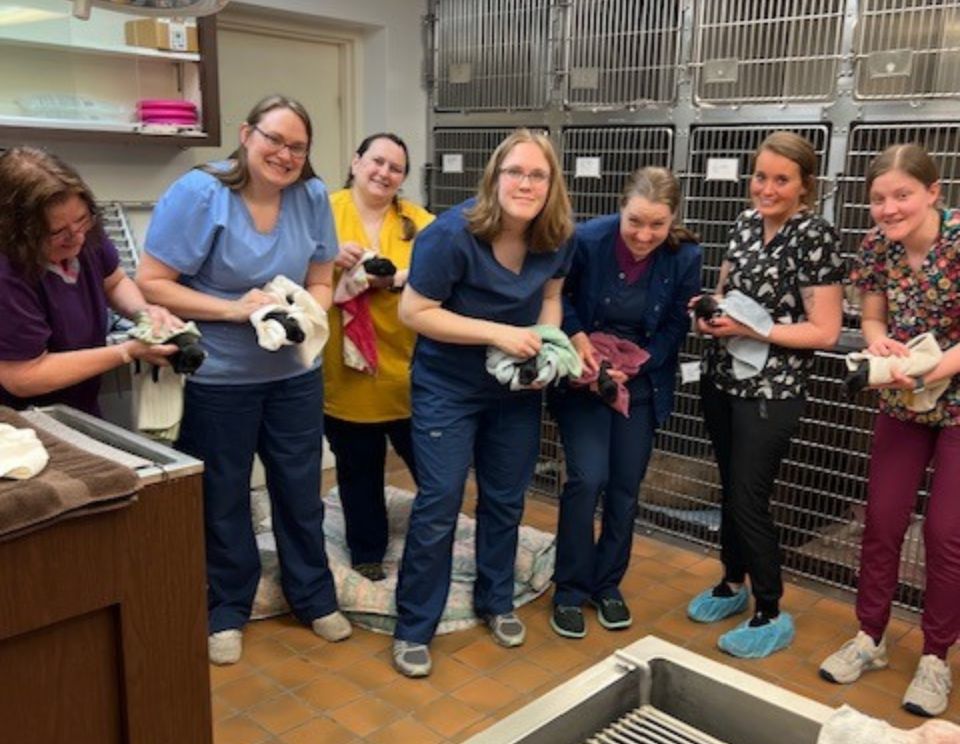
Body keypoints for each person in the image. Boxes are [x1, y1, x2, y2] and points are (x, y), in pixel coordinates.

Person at [136, 94, 351, 666]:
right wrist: (236, 310)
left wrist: (305, 313)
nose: (284, 154)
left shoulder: (310, 197)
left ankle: (313, 595)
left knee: (300, 489)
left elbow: (323, 279)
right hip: (220, 377)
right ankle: (227, 606)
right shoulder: (201, 193)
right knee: (224, 495)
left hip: (292, 375)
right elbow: (152, 282)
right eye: (274, 139)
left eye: (297, 146)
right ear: (246, 134)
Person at [392, 128, 574, 677]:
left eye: (537, 174)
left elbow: (551, 297)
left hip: (513, 392)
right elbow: (415, 312)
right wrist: (496, 333)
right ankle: (415, 625)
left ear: (551, 184)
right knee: (440, 500)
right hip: (447, 387)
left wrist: (543, 347)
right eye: (514, 171)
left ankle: (495, 600)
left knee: (505, 498)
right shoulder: (450, 235)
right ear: (494, 177)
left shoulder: (557, 236)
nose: (525, 183)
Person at [687, 131, 844, 658]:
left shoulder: (814, 236)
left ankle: (770, 607)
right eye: (761, 176)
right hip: (722, 378)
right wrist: (709, 311)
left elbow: (823, 332)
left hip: (772, 391)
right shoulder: (744, 225)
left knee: (750, 495)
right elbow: (727, 291)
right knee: (729, 487)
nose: (766, 188)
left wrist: (753, 331)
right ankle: (732, 582)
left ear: (805, 186)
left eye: (781, 180)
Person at [819, 144, 960, 717]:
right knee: (881, 520)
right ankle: (869, 638)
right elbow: (872, 313)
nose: (888, 208)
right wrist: (879, 340)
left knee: (947, 535)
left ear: (933, 192)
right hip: (903, 400)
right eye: (878, 198)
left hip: (954, 401)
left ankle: (935, 657)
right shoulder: (876, 245)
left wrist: (928, 369)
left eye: (902, 195)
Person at [548, 167, 702, 639]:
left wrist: (644, 360)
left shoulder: (685, 256)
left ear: (673, 218)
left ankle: (607, 584)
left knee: (624, 486)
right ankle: (570, 589)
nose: (644, 235)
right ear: (621, 208)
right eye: (635, 221)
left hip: (640, 379)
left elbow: (678, 323)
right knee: (586, 477)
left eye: (657, 224)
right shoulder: (587, 241)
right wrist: (583, 348)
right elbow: (559, 299)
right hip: (585, 372)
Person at [323, 133, 434, 581]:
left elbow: (442, 272)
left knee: (433, 469)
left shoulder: (420, 222)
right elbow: (294, 265)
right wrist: (331, 259)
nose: (384, 173)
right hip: (345, 369)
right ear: (355, 161)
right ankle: (367, 550)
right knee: (358, 469)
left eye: (395, 168)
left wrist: (396, 277)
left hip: (407, 367)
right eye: (377, 161)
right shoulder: (324, 213)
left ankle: (434, 542)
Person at [0, 147, 178, 416]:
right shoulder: (8, 273)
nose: (77, 237)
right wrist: (127, 352)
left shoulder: (83, 231)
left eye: (82, 220)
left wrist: (144, 313)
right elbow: (23, 376)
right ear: (19, 232)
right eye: (57, 232)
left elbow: (115, 282)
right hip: (18, 419)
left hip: (78, 405)